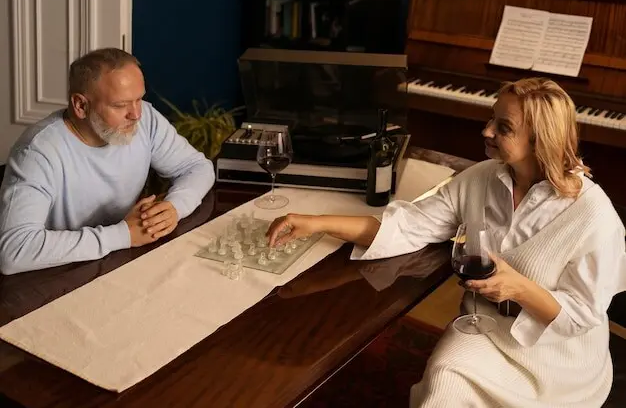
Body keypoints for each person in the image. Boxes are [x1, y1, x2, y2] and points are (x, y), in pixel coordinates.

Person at [266, 78, 626, 407]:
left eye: (503, 127)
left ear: (540, 140)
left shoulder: (593, 214)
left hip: (558, 356)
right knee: (444, 380)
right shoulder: (480, 178)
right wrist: (316, 223)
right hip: (485, 327)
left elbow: (581, 315)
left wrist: (519, 288)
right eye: (492, 118)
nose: (486, 130)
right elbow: (408, 226)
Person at [0, 48, 215, 275]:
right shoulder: (37, 152)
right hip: (56, 276)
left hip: (117, 261)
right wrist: (123, 234)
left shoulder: (146, 119)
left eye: (139, 99)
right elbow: (14, 251)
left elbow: (198, 167)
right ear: (81, 105)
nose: (136, 114)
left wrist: (174, 207)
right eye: (120, 105)